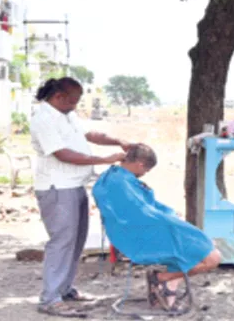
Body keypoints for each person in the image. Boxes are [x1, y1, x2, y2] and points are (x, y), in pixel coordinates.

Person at [30, 77, 133, 318]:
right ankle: (50, 299)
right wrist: (103, 160)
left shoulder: (66, 115)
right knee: (62, 241)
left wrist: (118, 141)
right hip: (57, 187)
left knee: (76, 241)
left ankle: (65, 290)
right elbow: (62, 154)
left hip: (75, 185)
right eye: (73, 101)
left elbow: (91, 134)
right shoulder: (43, 119)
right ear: (59, 97)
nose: (76, 106)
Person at [92, 144, 221, 313]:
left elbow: (146, 209)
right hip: (142, 237)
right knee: (212, 258)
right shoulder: (120, 183)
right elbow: (143, 213)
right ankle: (163, 279)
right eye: (145, 170)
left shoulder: (113, 177)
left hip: (136, 233)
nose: (143, 174)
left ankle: (168, 286)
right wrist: (175, 222)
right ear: (140, 164)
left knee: (198, 249)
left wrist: (170, 215)